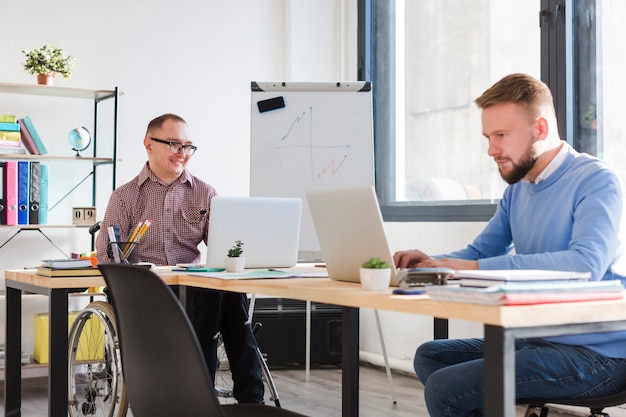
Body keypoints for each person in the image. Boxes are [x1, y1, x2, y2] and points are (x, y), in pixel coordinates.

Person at [393, 73, 626, 417]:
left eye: (502, 135)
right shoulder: (518, 189)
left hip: (598, 353)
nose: (491, 150)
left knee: (446, 388)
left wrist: (468, 268)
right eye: (488, 137)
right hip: (539, 339)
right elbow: (479, 253)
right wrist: (431, 262)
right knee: (431, 355)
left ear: (541, 130)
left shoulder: (596, 179)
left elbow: (584, 265)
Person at [96, 113, 264, 403]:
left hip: (195, 290)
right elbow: (106, 257)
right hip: (146, 294)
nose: (182, 153)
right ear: (149, 144)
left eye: (188, 146)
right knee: (213, 298)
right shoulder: (124, 197)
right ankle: (199, 399)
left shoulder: (205, 193)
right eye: (174, 144)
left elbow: (223, 249)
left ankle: (251, 401)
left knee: (231, 295)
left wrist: (244, 249)